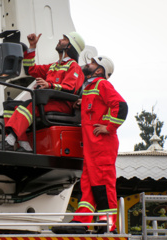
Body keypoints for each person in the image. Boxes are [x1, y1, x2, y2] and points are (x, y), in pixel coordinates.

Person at [52, 56, 128, 234]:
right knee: (88, 185)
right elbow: (97, 107)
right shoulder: (90, 88)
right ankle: (81, 221)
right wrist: (82, 102)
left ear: (100, 70)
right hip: (92, 147)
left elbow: (121, 106)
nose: (88, 64)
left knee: (103, 186)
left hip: (103, 145)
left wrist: (108, 127)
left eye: (93, 63)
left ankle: (108, 226)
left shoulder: (102, 84)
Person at [0, 32, 85, 152]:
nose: (60, 40)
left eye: (64, 39)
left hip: (61, 105)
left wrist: (48, 85)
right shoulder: (54, 66)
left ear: (70, 46)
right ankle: (24, 145)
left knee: (29, 106)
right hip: (47, 102)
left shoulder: (74, 66)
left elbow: (70, 88)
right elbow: (31, 69)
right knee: (9, 106)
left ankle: (9, 141)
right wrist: (32, 47)